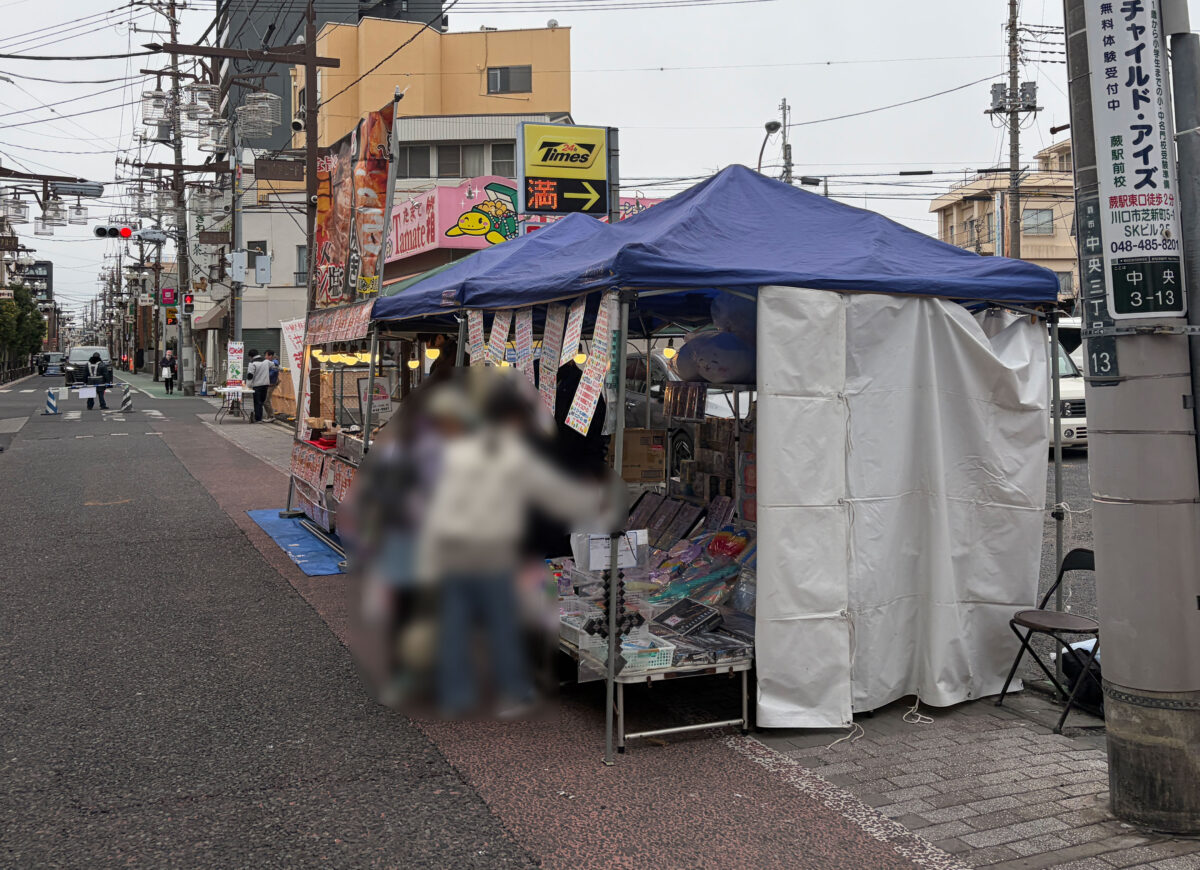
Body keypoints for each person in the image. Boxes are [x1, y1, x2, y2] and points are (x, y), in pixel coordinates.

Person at [246, 348, 271, 422]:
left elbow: (250, 375)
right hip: (265, 384)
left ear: (251, 356)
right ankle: (260, 416)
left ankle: (258, 418)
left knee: (257, 402)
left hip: (257, 385)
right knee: (262, 401)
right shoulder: (266, 361)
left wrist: (249, 385)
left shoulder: (252, 363)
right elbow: (275, 365)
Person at [262, 350, 281, 419]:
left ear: (270, 356)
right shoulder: (271, 362)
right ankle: (269, 415)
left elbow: (274, 372)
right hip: (269, 383)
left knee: (266, 401)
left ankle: (271, 416)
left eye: (266, 355)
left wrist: (265, 376)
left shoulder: (274, 363)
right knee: (266, 400)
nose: (265, 357)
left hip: (271, 384)